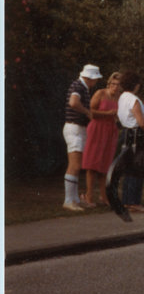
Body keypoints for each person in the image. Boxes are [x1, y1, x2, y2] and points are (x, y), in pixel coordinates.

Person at [62, 64, 102, 211]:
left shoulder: (82, 87)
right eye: (95, 79)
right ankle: (68, 200)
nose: (96, 82)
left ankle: (74, 199)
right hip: (75, 128)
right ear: (90, 78)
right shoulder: (78, 86)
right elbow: (73, 103)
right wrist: (87, 112)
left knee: (77, 166)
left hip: (78, 128)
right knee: (75, 165)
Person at [116, 71, 144, 213]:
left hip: (126, 133)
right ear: (136, 85)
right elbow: (141, 122)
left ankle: (127, 200)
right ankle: (134, 202)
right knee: (137, 167)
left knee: (128, 167)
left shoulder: (122, 97)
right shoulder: (134, 99)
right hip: (136, 135)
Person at [81, 72, 122, 207]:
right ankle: (89, 196)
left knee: (105, 165)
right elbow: (90, 111)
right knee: (92, 163)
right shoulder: (100, 93)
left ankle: (104, 197)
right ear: (109, 83)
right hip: (97, 128)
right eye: (113, 84)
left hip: (110, 131)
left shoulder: (119, 98)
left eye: (118, 84)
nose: (115, 87)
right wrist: (107, 113)